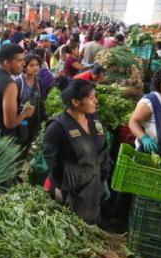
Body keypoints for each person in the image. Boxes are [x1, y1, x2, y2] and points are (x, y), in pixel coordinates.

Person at [42, 80, 111, 225]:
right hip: (71, 191)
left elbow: (102, 150)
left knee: (91, 225)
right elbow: (51, 162)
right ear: (75, 101)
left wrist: (104, 179)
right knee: (73, 227)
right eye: (91, 98)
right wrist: (60, 189)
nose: (96, 101)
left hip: (93, 186)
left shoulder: (93, 119)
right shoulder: (57, 127)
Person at [0, 43, 35, 142]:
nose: (24, 63)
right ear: (6, 62)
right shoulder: (9, 85)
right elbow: (10, 123)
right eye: (19, 60)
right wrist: (25, 113)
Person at [16, 53, 43, 146]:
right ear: (25, 67)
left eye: (37, 65)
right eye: (31, 65)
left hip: (34, 121)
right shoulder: (19, 83)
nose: (35, 68)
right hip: (19, 121)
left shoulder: (39, 82)